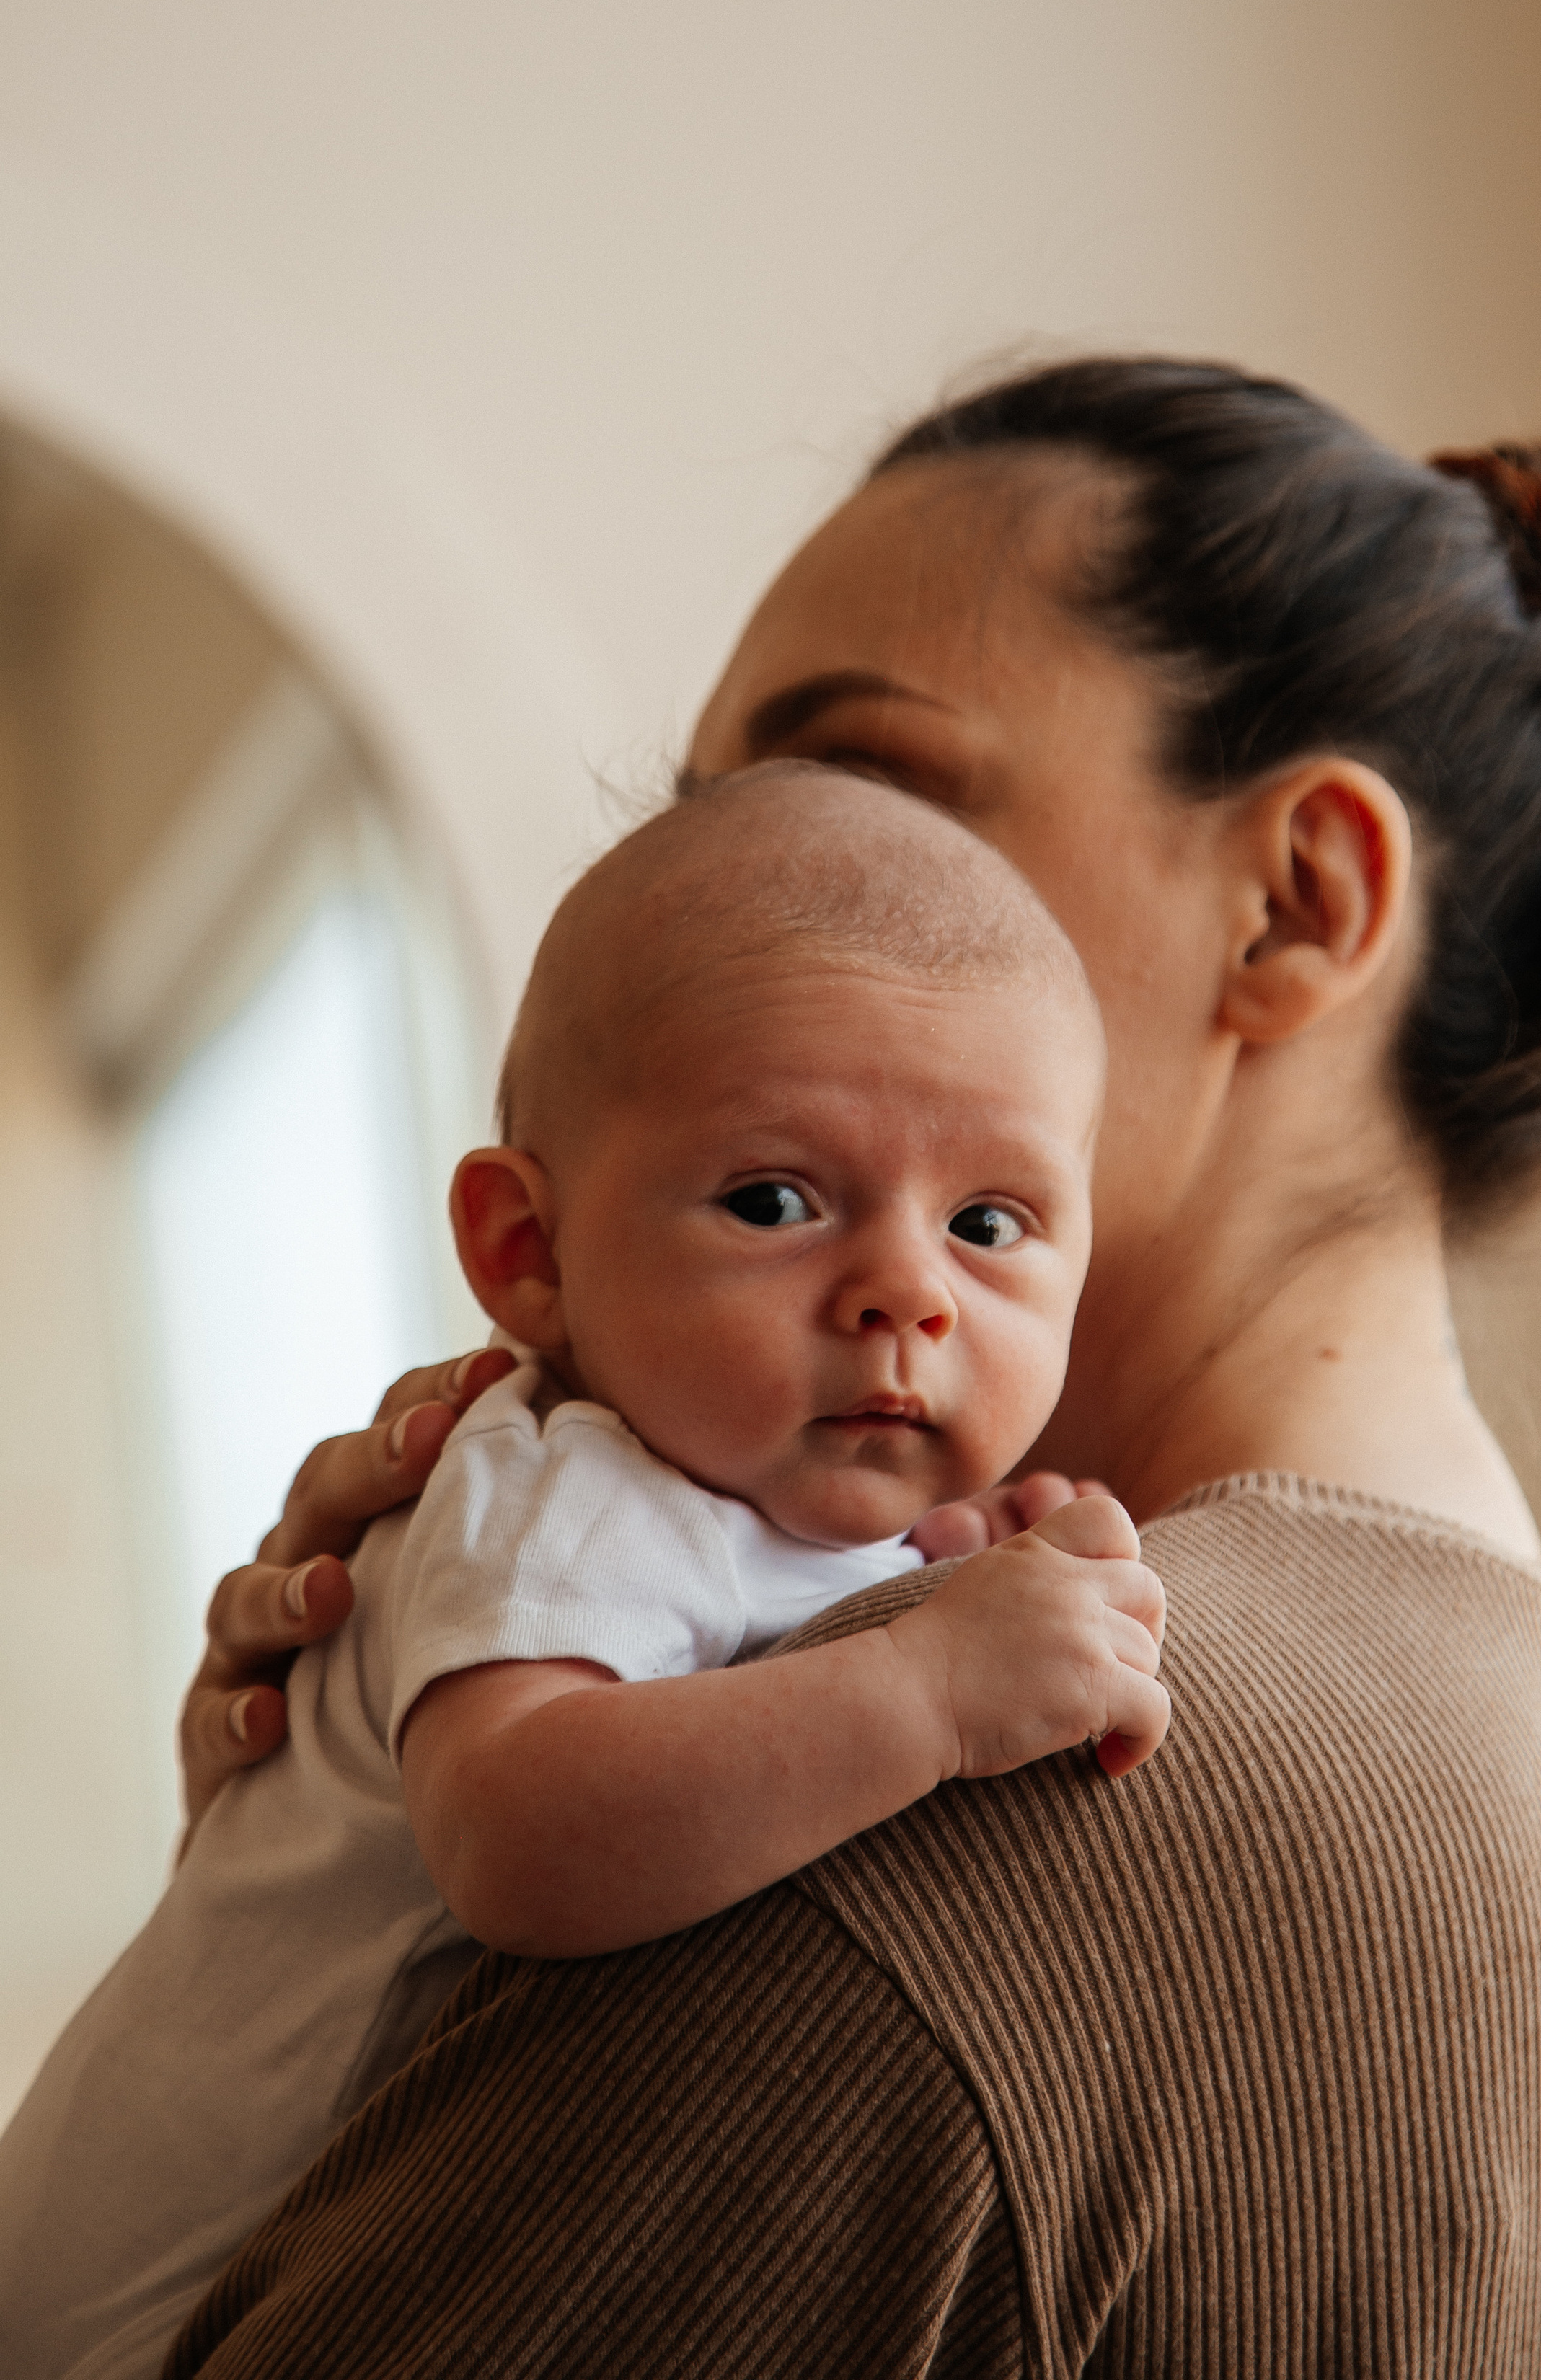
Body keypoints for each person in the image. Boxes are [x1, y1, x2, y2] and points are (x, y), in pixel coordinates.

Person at [164, 359, 1541, 2376]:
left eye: (866, 795)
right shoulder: (1474, 1684)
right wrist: (327, 1872)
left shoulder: (975, 1787)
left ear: (1294, 905)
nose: (756, 911)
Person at [0, 766, 1170, 2380]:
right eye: (775, 1200)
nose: (907, 1293)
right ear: (526, 1257)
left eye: (988, 1222)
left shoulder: (767, 1494)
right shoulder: (558, 1486)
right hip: (121, 2309)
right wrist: (929, 1678)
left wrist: (946, 1564)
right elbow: (524, 1832)